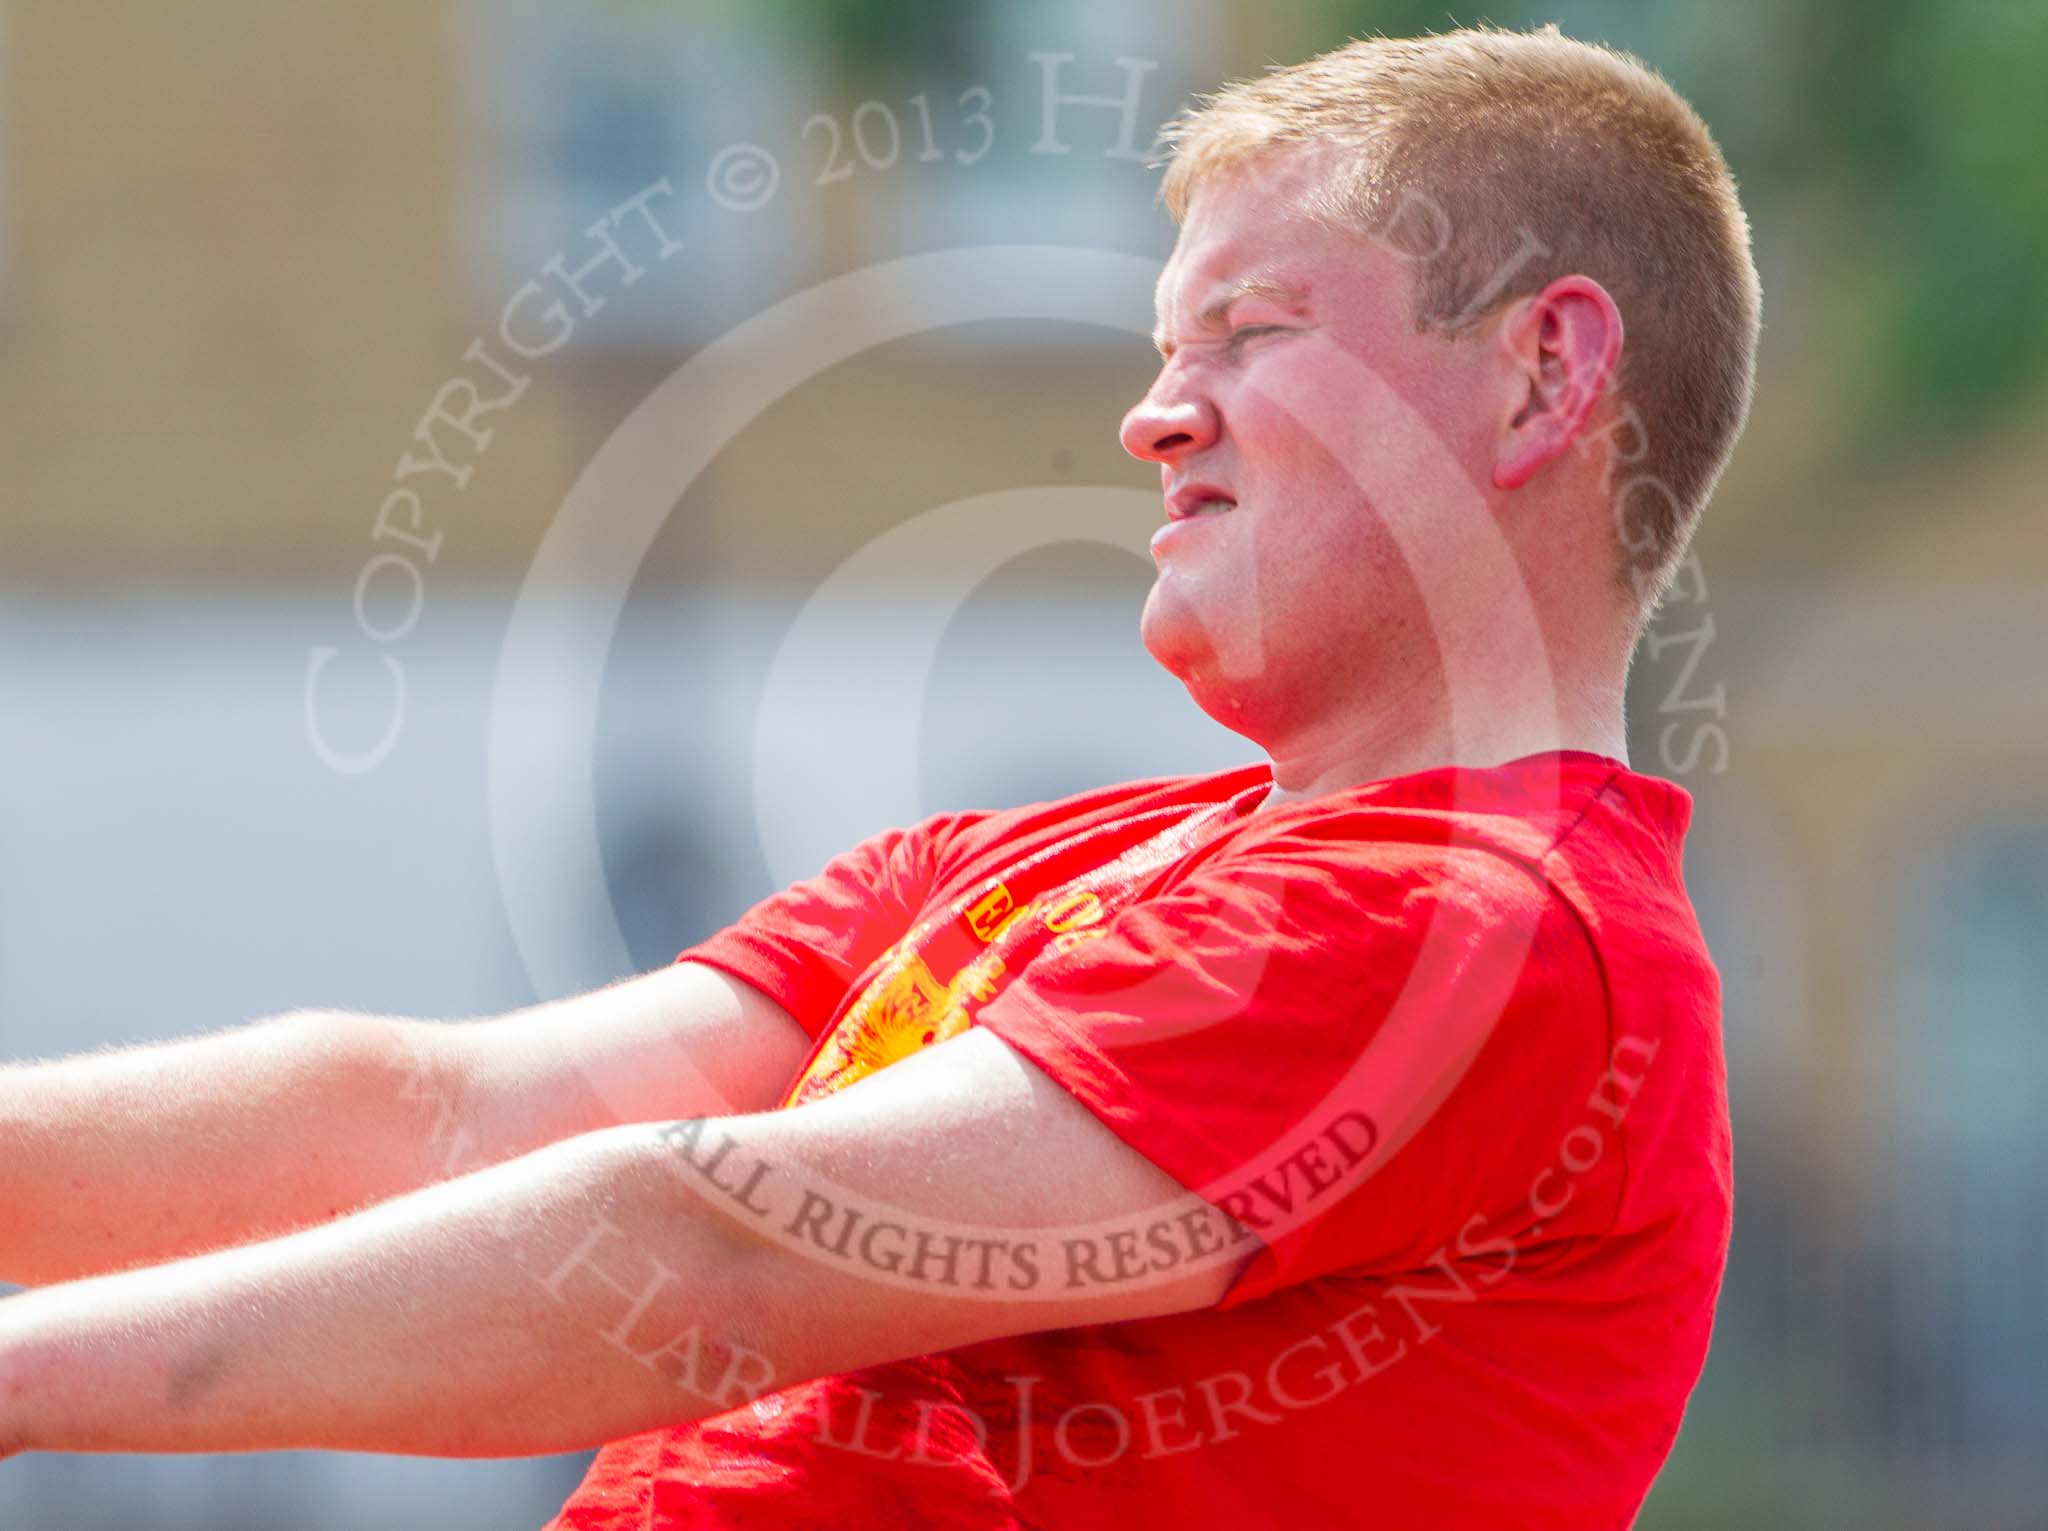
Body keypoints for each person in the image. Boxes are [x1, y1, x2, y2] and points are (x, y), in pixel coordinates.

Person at [0, 23, 1759, 1529]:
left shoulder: (1487, 934)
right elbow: (425, 1113)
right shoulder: (1041, 867)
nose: (1156, 414)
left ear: (1546, 372)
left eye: (1252, 329)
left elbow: (714, 1252)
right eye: (1165, 349)